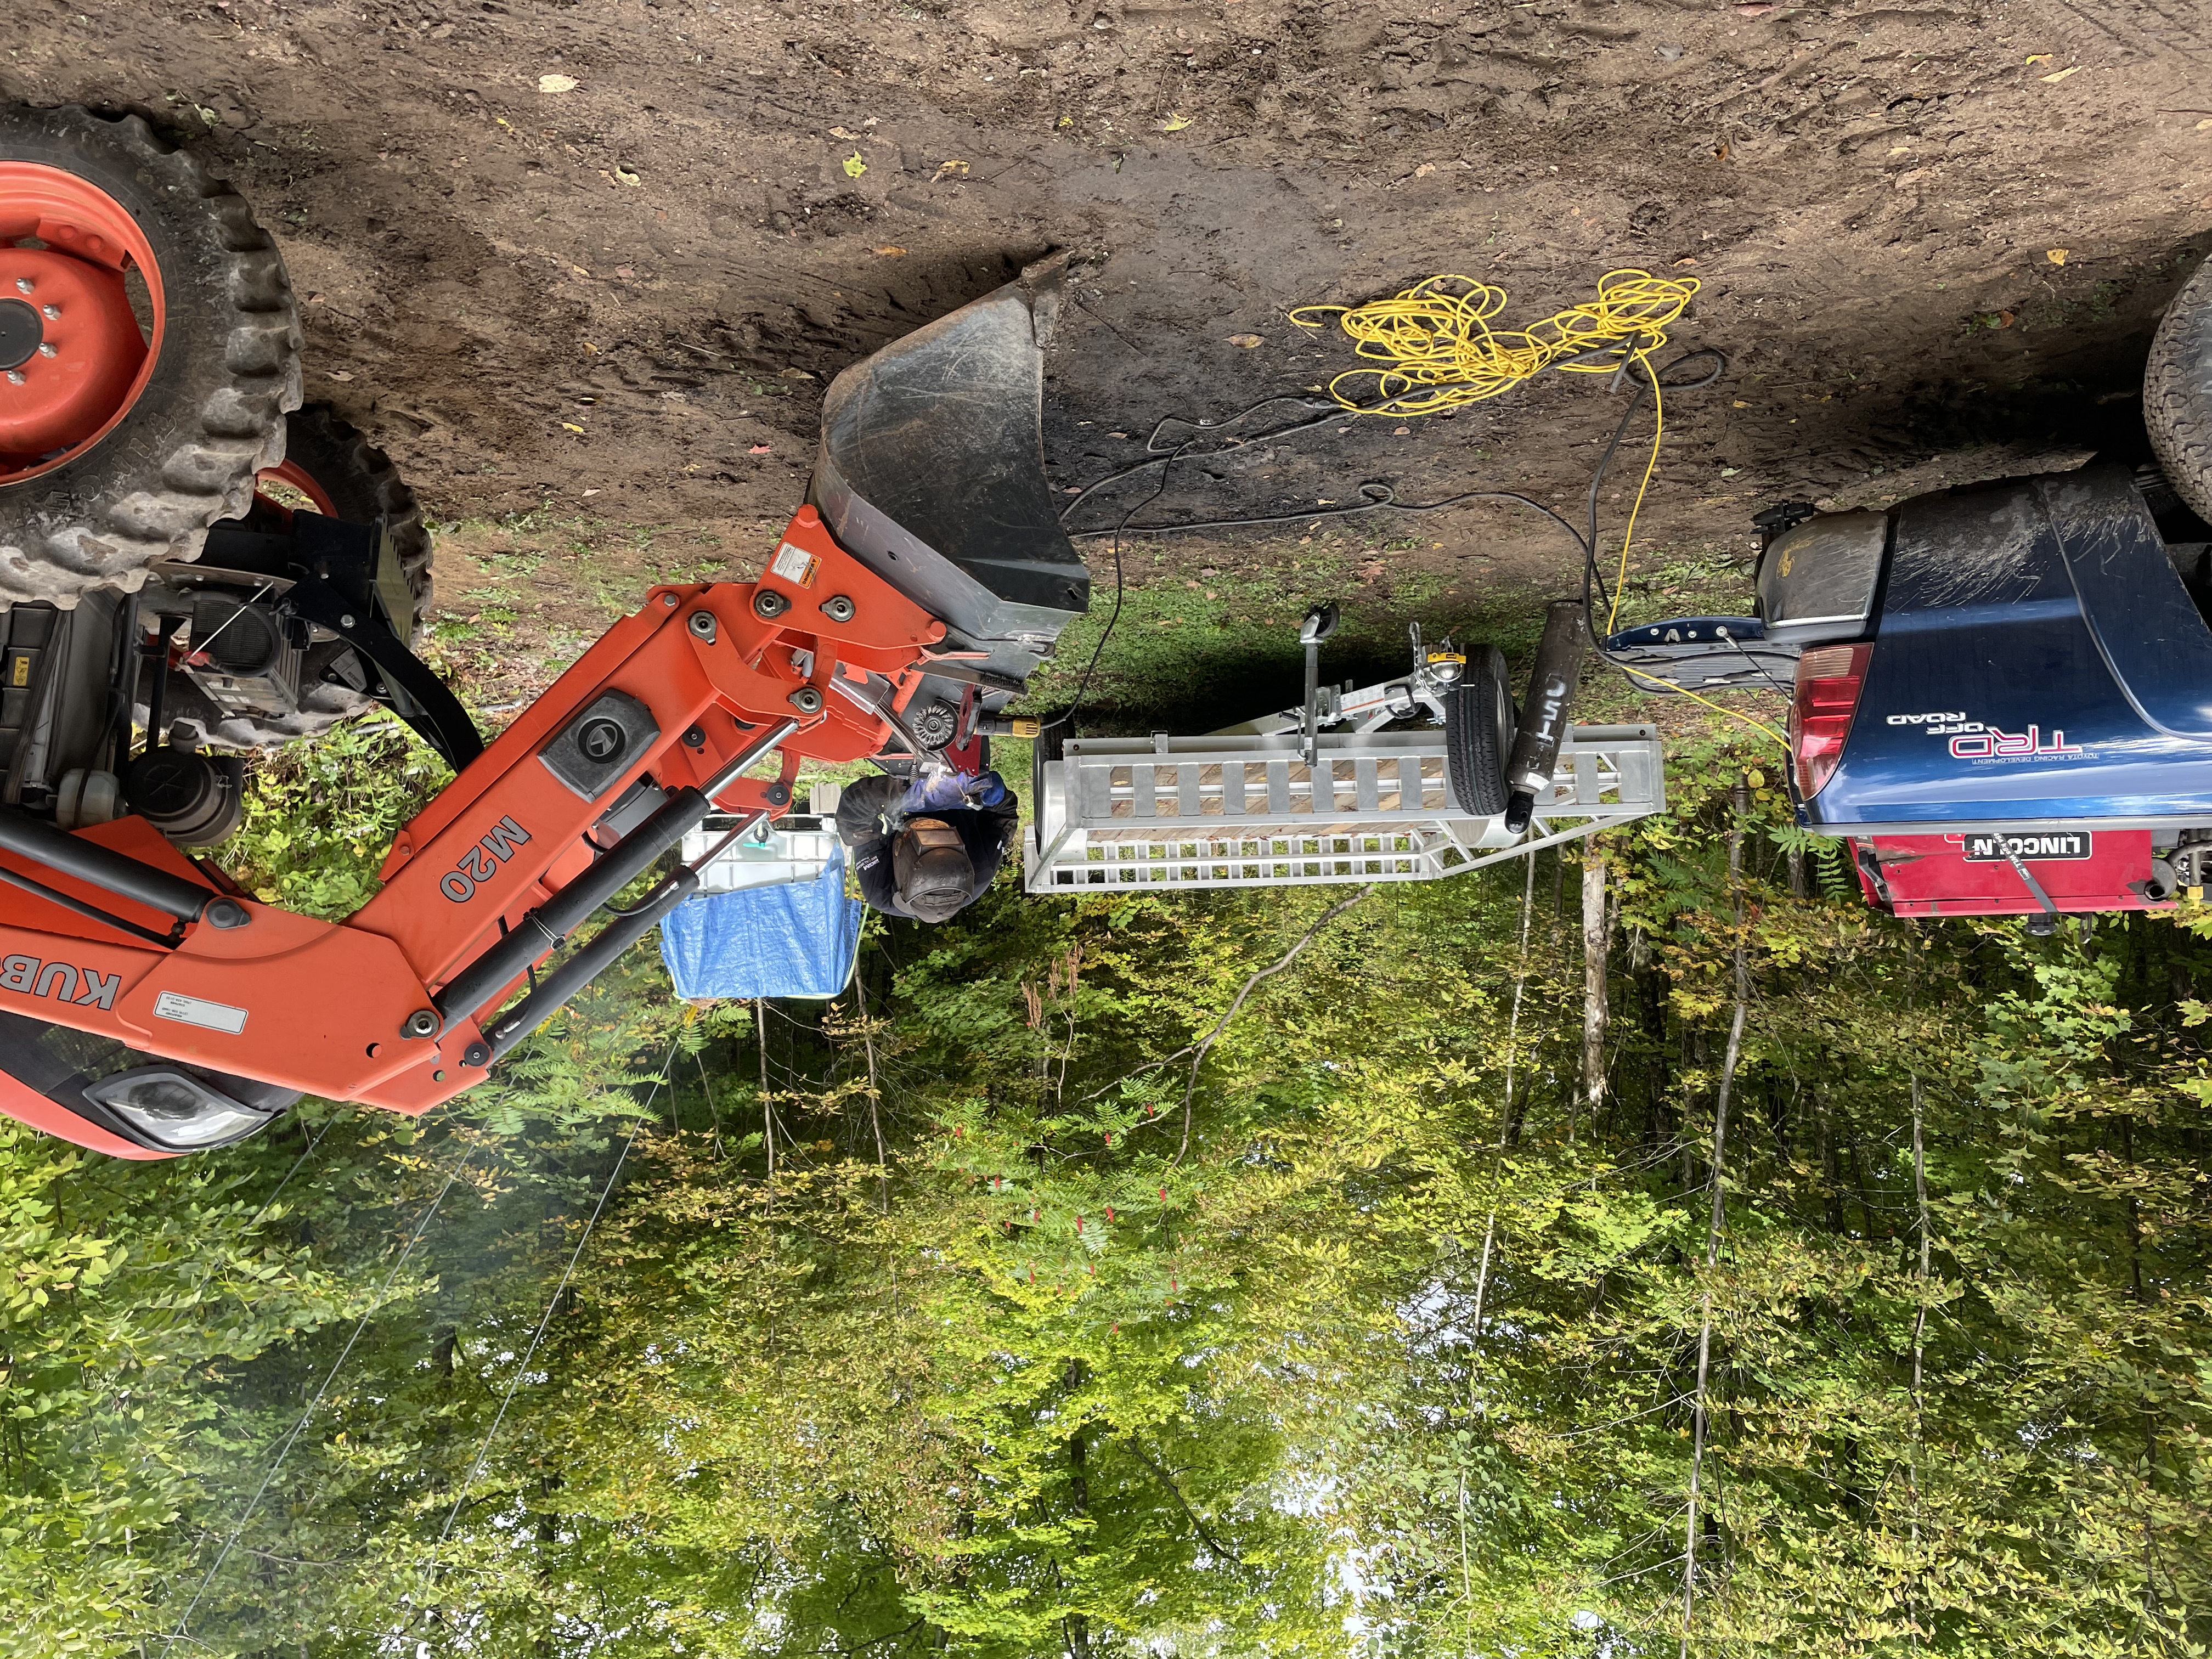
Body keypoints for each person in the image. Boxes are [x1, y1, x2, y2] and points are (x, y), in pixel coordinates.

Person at [834, 766, 1018, 922]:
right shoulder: (981, 870)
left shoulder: (879, 889)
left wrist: (906, 796)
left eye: (924, 834)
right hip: (962, 792)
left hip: (905, 797)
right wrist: (990, 796)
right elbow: (1004, 819)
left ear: (899, 851)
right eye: (944, 836)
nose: (931, 826)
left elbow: (854, 814)